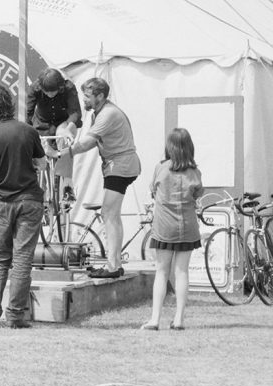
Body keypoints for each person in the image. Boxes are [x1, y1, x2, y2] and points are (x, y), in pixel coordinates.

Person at [0, 83, 45, 329]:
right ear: (11, 104)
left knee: (0, 258)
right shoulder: (28, 131)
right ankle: (15, 316)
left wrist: (1, 181)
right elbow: (42, 164)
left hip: (3, 202)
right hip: (30, 200)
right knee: (23, 258)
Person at [67, 77, 141, 278]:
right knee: (112, 215)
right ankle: (114, 263)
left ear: (100, 96)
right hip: (118, 165)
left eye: (88, 96)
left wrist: (63, 153)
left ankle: (113, 266)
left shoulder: (107, 114)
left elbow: (86, 143)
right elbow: (92, 142)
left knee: (109, 213)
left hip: (120, 166)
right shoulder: (100, 112)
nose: (84, 100)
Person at [141, 128, 203, 331]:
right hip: (187, 225)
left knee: (161, 271)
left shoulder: (161, 168)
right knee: (182, 272)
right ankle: (179, 320)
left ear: (169, 147)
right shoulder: (195, 172)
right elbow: (197, 194)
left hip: (164, 226)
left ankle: (155, 319)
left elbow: (152, 190)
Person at [26, 67, 82, 197]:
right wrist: (28, 132)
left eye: (53, 91)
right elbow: (28, 113)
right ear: (41, 88)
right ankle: (41, 191)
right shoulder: (35, 88)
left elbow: (75, 112)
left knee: (64, 139)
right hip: (42, 124)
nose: (50, 94)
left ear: (60, 86)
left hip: (63, 123)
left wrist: (69, 129)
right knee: (40, 155)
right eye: (47, 92)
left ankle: (67, 185)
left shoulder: (68, 87)